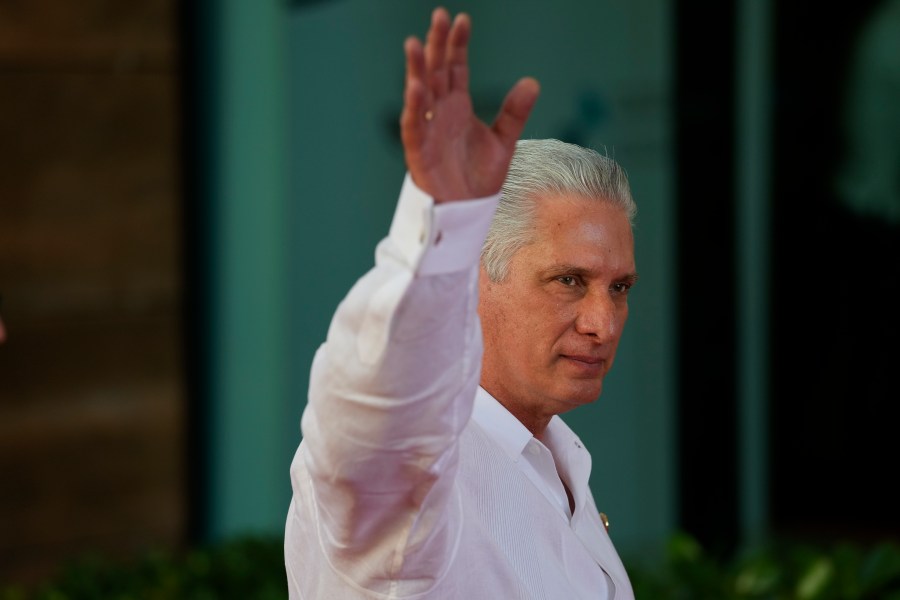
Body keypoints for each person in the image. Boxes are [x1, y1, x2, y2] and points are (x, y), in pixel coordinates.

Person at [284, 7, 638, 598]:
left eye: (619, 288)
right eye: (568, 281)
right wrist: (434, 231)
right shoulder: (411, 465)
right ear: (473, 276)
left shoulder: (552, 450)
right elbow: (373, 408)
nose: (602, 323)